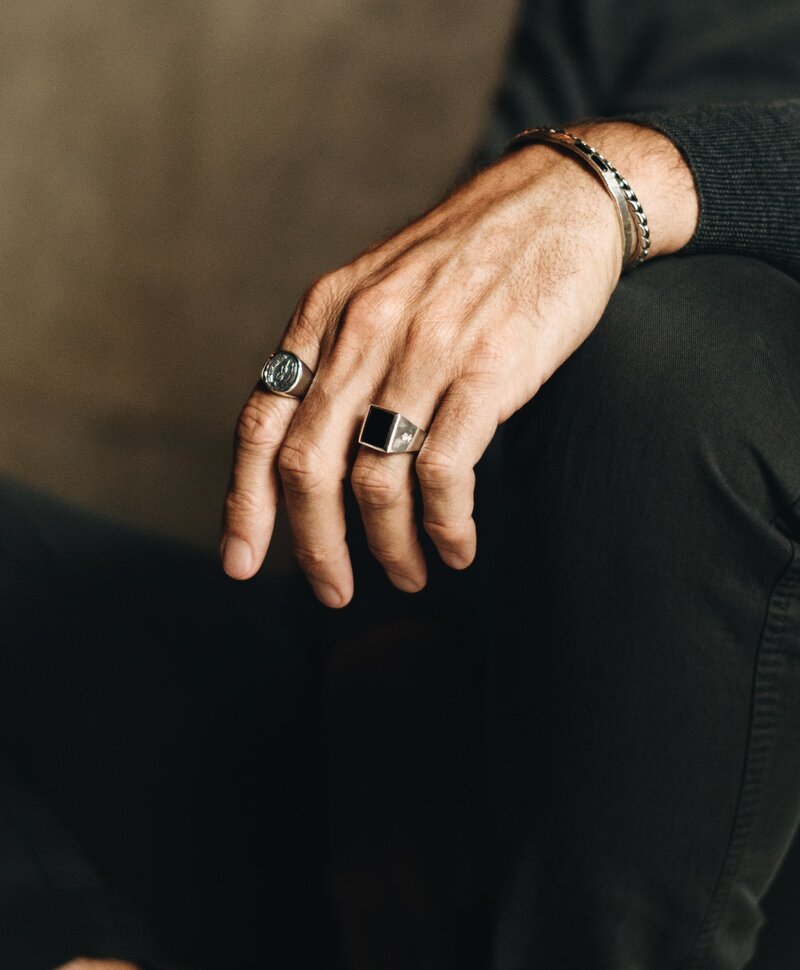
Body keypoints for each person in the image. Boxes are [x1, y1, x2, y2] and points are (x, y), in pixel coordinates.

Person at [3, 1, 800, 969]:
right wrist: (387, 631)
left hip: (717, 789)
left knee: (675, 367)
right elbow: (471, 276)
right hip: (458, 670)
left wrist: (634, 179)